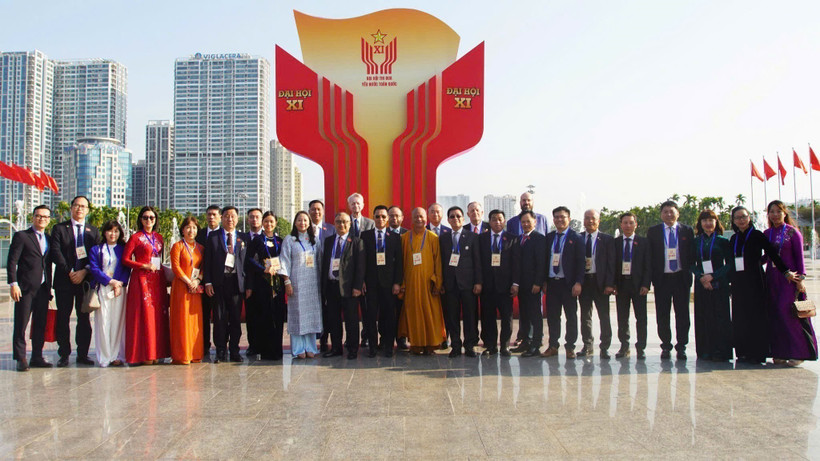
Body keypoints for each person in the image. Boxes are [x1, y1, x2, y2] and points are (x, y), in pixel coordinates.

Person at [728, 206, 788, 363]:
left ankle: (757, 352)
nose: (741, 220)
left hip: (755, 281)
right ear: (733, 221)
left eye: (744, 216)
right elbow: (730, 262)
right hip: (739, 282)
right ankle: (743, 351)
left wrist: (785, 271)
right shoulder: (734, 239)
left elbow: (772, 254)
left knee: (756, 316)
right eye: (737, 218)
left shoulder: (756, 235)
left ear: (749, 218)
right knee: (741, 317)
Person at [764, 200, 818, 366]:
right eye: (771, 212)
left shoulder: (793, 233)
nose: (775, 215)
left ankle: (799, 352)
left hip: (790, 280)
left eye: (778, 211)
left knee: (787, 312)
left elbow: (799, 259)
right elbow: (766, 257)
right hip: (772, 278)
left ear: (784, 213)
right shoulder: (767, 233)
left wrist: (801, 279)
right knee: (775, 314)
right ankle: (780, 352)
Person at [50, 195, 100, 367]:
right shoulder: (59, 228)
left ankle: (83, 354)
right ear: (71, 208)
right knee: (63, 318)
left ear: (87, 210)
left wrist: (84, 271)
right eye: (77, 205)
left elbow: (97, 255)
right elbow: (56, 252)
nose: (80, 209)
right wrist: (71, 271)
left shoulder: (93, 231)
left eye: (83, 206)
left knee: (84, 319)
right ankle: (63, 354)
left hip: (84, 282)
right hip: (64, 280)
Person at [122, 206, 171, 364]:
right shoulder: (135, 237)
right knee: (143, 315)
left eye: (151, 217)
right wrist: (143, 265)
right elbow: (125, 259)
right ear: (140, 219)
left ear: (155, 220)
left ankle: (157, 352)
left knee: (157, 315)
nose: (148, 220)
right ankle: (143, 354)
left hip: (157, 280)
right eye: (145, 217)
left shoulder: (159, 238)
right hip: (141, 280)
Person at [8, 205, 54, 371]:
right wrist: (13, 284)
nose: (42, 219)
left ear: (49, 220)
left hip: (43, 289)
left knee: (40, 323)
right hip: (25, 288)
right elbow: (12, 261)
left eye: (45, 217)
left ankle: (37, 356)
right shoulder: (22, 236)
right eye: (38, 216)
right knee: (21, 324)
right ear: (33, 217)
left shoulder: (48, 238)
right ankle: (20, 358)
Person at [647, 200, 694, 360]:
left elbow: (692, 255)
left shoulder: (687, 231)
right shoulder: (653, 232)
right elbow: (650, 258)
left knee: (682, 314)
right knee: (662, 314)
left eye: (671, 211)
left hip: (681, 278)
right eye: (665, 212)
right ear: (661, 214)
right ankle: (666, 346)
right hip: (662, 279)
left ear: (677, 213)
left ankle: (682, 346)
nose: (668, 214)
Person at [203, 206, 249, 363]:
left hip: (236, 283)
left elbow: (247, 264)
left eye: (233, 216)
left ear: (237, 218)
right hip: (219, 283)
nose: (230, 219)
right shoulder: (213, 237)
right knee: (219, 318)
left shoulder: (243, 238)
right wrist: (208, 282)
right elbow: (207, 262)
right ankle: (221, 350)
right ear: (221, 218)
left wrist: (248, 286)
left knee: (236, 319)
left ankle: (235, 350)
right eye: (227, 216)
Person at [399, 207, 446, 354]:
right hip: (411, 284)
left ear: (426, 219)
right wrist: (402, 284)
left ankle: (431, 344)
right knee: (413, 313)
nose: (419, 219)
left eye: (421, 217)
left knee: (429, 313)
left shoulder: (433, 237)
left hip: (428, 284)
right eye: (416, 217)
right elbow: (401, 263)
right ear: (411, 219)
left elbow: (438, 261)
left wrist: (437, 282)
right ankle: (416, 343)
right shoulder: (405, 238)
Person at [278, 211, 324, 358]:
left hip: (313, 284)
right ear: (295, 222)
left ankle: (311, 347)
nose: (302, 223)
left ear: (309, 223)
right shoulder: (289, 240)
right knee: (298, 315)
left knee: (311, 316)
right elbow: (284, 262)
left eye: (305, 220)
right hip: (296, 284)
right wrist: (287, 282)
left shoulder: (315, 240)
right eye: (299, 220)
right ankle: (298, 349)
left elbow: (320, 262)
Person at [321, 212, 366, 359]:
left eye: (345, 222)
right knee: (333, 319)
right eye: (338, 222)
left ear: (350, 224)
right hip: (331, 286)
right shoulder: (328, 241)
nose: (342, 225)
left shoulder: (356, 242)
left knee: (351, 320)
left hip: (349, 288)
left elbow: (360, 268)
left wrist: (357, 287)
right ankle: (336, 348)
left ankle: (353, 349)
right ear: (334, 223)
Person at [542, 206, 585, 359]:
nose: (560, 220)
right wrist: (544, 281)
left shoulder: (577, 238)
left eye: (563, 217)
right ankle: (553, 345)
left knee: (571, 316)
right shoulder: (549, 238)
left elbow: (581, 263)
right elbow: (544, 262)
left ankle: (570, 347)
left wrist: (578, 282)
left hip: (569, 284)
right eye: (557, 217)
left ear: (569, 218)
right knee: (553, 317)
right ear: (553, 219)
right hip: (552, 283)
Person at [440, 206, 483, 357]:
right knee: (452, 316)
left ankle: (470, 345)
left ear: (463, 219)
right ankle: (456, 345)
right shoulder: (443, 238)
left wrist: (478, 282)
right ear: (448, 219)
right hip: (450, 284)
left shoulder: (472, 237)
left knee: (470, 316)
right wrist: (441, 283)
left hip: (468, 284)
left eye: (458, 216)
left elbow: (477, 262)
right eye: (452, 216)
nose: (455, 219)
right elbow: (441, 262)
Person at [690, 209, 733, 361]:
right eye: (704, 221)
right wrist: (701, 277)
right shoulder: (695, 241)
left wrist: (713, 276)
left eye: (711, 220)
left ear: (716, 222)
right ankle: (705, 351)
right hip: (702, 283)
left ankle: (721, 351)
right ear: (700, 224)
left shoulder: (723, 241)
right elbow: (690, 263)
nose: (708, 223)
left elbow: (730, 264)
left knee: (720, 316)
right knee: (703, 316)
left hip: (719, 283)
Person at [361, 205, 403, 357]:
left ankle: (388, 346)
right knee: (371, 317)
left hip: (389, 284)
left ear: (388, 219)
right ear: (373, 217)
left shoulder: (395, 237)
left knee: (389, 317)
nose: (380, 219)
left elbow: (399, 262)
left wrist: (397, 282)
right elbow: (361, 261)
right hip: (371, 284)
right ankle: (372, 347)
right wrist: (362, 280)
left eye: (384, 217)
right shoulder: (365, 236)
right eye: (377, 216)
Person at [88, 220, 130, 367]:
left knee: (118, 321)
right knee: (104, 321)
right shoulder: (97, 249)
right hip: (104, 287)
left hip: (119, 289)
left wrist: (120, 284)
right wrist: (110, 282)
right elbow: (94, 269)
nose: (113, 234)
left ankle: (117, 355)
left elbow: (126, 267)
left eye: (116, 231)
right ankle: (105, 356)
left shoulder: (123, 249)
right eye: (110, 231)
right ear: (104, 232)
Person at [245, 211, 286, 360]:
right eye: (266, 221)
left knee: (277, 316)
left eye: (271, 221)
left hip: (277, 284)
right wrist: (264, 269)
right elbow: (249, 260)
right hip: (262, 284)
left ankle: (277, 350)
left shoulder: (280, 241)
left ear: (275, 223)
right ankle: (264, 350)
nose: (269, 224)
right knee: (264, 316)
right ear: (262, 223)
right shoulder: (256, 240)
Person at [478, 210, 520, 356]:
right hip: (487, 286)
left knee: (506, 318)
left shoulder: (512, 239)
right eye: (494, 219)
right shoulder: (481, 238)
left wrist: (515, 283)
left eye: (500, 219)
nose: (497, 222)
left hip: (506, 286)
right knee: (488, 318)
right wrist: (479, 282)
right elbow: (478, 263)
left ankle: (505, 346)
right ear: (489, 222)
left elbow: (516, 264)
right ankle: (490, 346)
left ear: (504, 221)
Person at [577, 209, 616, 358]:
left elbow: (611, 263)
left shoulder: (607, 239)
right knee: (585, 315)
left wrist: (609, 284)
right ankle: (587, 345)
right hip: (584, 281)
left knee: (604, 316)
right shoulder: (578, 238)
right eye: (587, 218)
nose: (590, 221)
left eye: (593, 218)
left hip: (600, 283)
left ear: (598, 221)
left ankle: (605, 346)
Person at [613, 212, 652, 359]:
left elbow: (648, 265)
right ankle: (624, 345)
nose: (628, 225)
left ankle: (641, 347)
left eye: (631, 222)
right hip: (621, 285)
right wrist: (613, 284)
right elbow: (612, 265)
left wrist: (646, 284)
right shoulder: (615, 243)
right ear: (621, 225)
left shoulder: (644, 242)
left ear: (636, 224)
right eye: (625, 223)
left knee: (641, 318)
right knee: (622, 317)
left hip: (638, 286)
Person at [169, 216, 205, 365]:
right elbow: (175, 267)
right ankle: (182, 354)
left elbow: (203, 267)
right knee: (181, 320)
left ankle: (195, 353)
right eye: (188, 227)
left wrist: (197, 280)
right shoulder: (177, 246)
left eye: (194, 228)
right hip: (181, 288)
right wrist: (188, 281)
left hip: (195, 289)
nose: (191, 231)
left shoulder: (200, 248)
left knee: (194, 321)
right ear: (182, 230)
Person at [515, 211, 547, 357]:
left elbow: (541, 262)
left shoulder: (539, 239)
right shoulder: (520, 239)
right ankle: (525, 342)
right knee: (524, 314)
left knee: (535, 315)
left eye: (528, 221)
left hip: (533, 285)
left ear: (535, 222)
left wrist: (538, 282)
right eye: (523, 222)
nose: (525, 224)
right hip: (522, 285)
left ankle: (536, 344)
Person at [196, 204, 221, 359]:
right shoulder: (198, 235)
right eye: (209, 215)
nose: (211, 217)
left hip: (220, 283)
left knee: (219, 316)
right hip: (200, 282)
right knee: (203, 316)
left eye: (214, 214)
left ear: (219, 217)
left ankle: (221, 346)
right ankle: (204, 346)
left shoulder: (224, 234)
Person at [244, 207, 264, 358]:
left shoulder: (269, 237)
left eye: (257, 217)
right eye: (251, 217)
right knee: (251, 316)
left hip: (264, 282)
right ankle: (253, 345)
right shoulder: (242, 238)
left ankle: (264, 344)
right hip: (247, 283)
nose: (254, 220)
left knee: (263, 315)